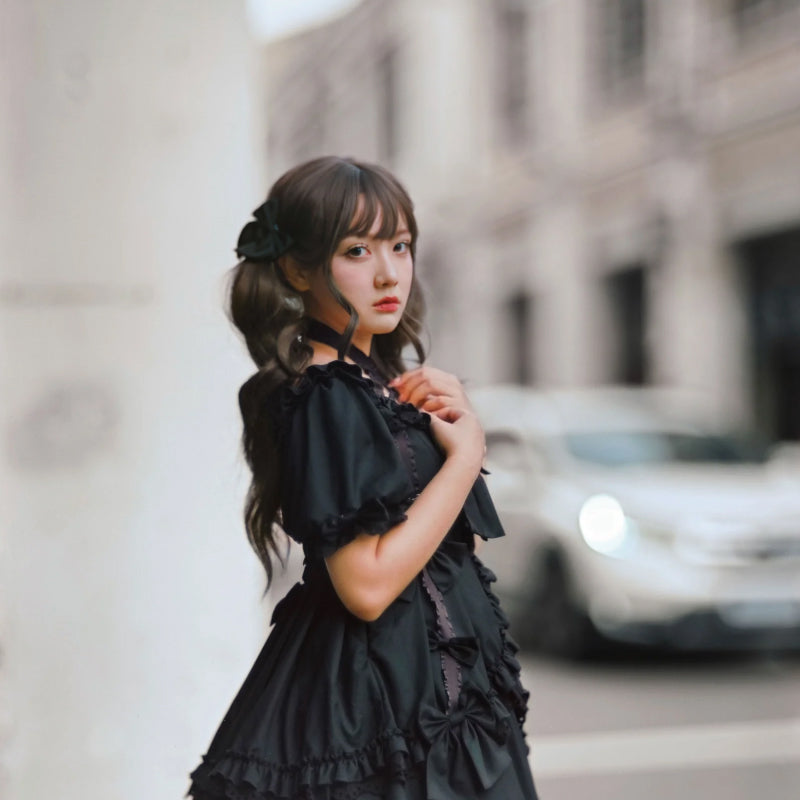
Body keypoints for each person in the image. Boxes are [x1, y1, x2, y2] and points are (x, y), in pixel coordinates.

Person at [188, 156, 538, 800]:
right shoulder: (326, 392)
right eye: (357, 250)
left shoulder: (375, 383)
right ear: (296, 269)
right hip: (380, 710)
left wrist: (453, 420)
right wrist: (465, 457)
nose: (388, 273)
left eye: (400, 246)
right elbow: (368, 586)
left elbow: (459, 553)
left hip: (428, 703)